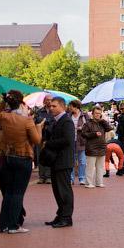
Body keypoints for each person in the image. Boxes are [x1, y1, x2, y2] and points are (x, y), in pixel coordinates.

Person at [0, 91, 42, 234]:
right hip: (23, 157)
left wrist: (4, 101)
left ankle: (4, 224)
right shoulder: (27, 120)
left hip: (8, 157)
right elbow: (37, 140)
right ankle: (14, 225)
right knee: (18, 193)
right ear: (21, 103)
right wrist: (39, 127)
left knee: (8, 192)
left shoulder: (4, 117)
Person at [43, 97, 76, 228]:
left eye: (54, 106)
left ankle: (66, 217)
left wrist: (48, 143)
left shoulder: (66, 121)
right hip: (56, 160)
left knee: (64, 190)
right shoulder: (55, 120)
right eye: (50, 106)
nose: (51, 108)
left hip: (63, 161)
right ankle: (60, 215)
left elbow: (67, 140)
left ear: (62, 106)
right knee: (57, 190)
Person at [80, 105, 112, 188]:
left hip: (101, 147)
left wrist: (103, 120)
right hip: (91, 148)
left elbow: (109, 128)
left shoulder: (102, 123)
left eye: (99, 113)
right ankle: (88, 183)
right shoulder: (87, 123)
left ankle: (99, 182)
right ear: (92, 114)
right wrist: (94, 134)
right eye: (96, 113)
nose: (98, 115)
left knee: (100, 167)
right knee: (90, 167)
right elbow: (83, 134)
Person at [33, 95, 53, 183]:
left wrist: (45, 121)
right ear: (44, 101)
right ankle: (41, 177)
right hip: (40, 136)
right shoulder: (39, 111)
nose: (49, 101)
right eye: (47, 100)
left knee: (49, 156)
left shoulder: (54, 110)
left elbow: (53, 121)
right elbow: (36, 121)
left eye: (51, 100)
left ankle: (48, 176)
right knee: (40, 156)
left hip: (50, 136)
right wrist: (45, 121)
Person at [67, 100, 88, 186]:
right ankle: (71, 179)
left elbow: (89, 126)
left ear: (76, 107)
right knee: (71, 160)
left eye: (71, 106)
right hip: (71, 141)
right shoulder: (68, 115)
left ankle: (82, 178)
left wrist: (82, 128)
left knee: (82, 161)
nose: (69, 108)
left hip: (82, 141)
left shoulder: (84, 115)